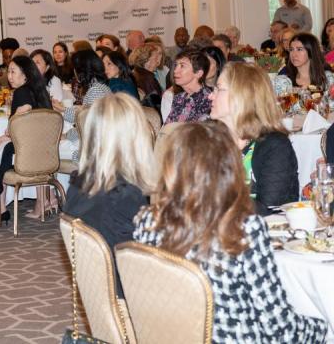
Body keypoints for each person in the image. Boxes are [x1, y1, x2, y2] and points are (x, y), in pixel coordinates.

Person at [133, 122, 326, 343]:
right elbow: (280, 330)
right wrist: (323, 327)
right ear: (229, 167)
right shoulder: (243, 229)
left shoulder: (146, 222)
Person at [63, 93, 158, 297]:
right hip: (131, 297)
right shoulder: (125, 195)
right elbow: (146, 258)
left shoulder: (77, 186)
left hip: (98, 293)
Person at [210, 63, 299, 215]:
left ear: (242, 96)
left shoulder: (275, 146)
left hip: (265, 227)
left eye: (219, 89)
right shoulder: (211, 140)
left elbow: (269, 208)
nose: (211, 96)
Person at [0, 56, 52, 226]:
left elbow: (20, 125)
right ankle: (3, 208)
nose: (9, 76)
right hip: (45, 150)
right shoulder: (39, 91)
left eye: (13, 72)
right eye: (9, 72)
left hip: (27, 151)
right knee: (0, 148)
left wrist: (1, 138)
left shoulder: (21, 92)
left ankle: (0, 208)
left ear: (25, 74)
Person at [165, 48, 211, 123]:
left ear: (198, 73)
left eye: (182, 66)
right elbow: (168, 125)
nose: (175, 70)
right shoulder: (179, 98)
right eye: (176, 65)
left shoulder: (208, 100)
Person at [128, 44, 162, 108]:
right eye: (155, 58)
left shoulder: (135, 72)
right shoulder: (147, 79)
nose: (158, 62)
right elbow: (156, 104)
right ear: (146, 60)